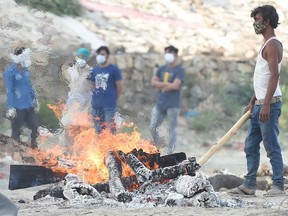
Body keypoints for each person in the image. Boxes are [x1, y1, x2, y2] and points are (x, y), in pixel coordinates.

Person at [228, 5, 286, 197]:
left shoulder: (272, 44)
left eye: (257, 20)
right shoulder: (265, 43)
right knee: (251, 145)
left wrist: (266, 104)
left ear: (267, 21)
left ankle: (278, 185)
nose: (255, 23)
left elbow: (274, 76)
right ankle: (249, 185)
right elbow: (261, 78)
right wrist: (253, 101)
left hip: (269, 104)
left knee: (271, 146)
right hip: (260, 103)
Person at [150, 45, 185, 155]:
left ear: (175, 54)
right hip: (160, 103)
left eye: (169, 52)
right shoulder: (161, 69)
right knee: (153, 126)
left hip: (173, 104)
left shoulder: (179, 70)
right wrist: (167, 85)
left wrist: (161, 85)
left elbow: (175, 86)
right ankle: (157, 147)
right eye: (166, 53)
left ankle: (170, 151)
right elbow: (153, 82)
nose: (167, 55)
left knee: (171, 129)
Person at [4, 47, 39, 149]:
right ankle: (15, 151)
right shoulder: (10, 72)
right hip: (17, 106)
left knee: (34, 126)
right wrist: (11, 107)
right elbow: (9, 90)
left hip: (28, 104)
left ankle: (34, 146)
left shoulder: (25, 70)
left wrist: (34, 98)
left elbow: (28, 85)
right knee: (16, 129)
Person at [60, 47, 93, 146]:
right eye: (80, 56)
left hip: (85, 103)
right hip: (72, 102)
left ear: (87, 58)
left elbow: (96, 87)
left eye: (84, 57)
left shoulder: (91, 72)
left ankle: (79, 153)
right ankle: (65, 150)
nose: (81, 58)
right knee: (67, 125)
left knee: (81, 128)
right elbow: (66, 80)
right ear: (76, 57)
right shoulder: (70, 71)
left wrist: (86, 96)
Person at [87, 46, 122, 134]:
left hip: (109, 105)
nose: (100, 56)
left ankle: (112, 146)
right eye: (99, 54)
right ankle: (100, 147)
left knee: (110, 128)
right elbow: (92, 84)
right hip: (96, 105)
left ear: (107, 56)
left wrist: (114, 99)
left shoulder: (113, 69)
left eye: (102, 54)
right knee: (98, 129)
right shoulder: (95, 69)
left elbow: (119, 86)